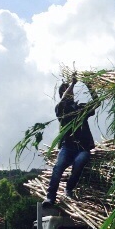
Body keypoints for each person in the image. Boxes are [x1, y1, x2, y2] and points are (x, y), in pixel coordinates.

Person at [42, 72, 98, 205]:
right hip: (67, 146)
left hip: (82, 148)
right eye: (66, 90)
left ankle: (69, 189)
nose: (70, 92)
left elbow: (97, 103)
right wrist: (72, 83)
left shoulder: (80, 108)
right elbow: (63, 101)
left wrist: (90, 86)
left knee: (79, 163)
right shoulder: (60, 109)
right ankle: (50, 197)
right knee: (58, 167)